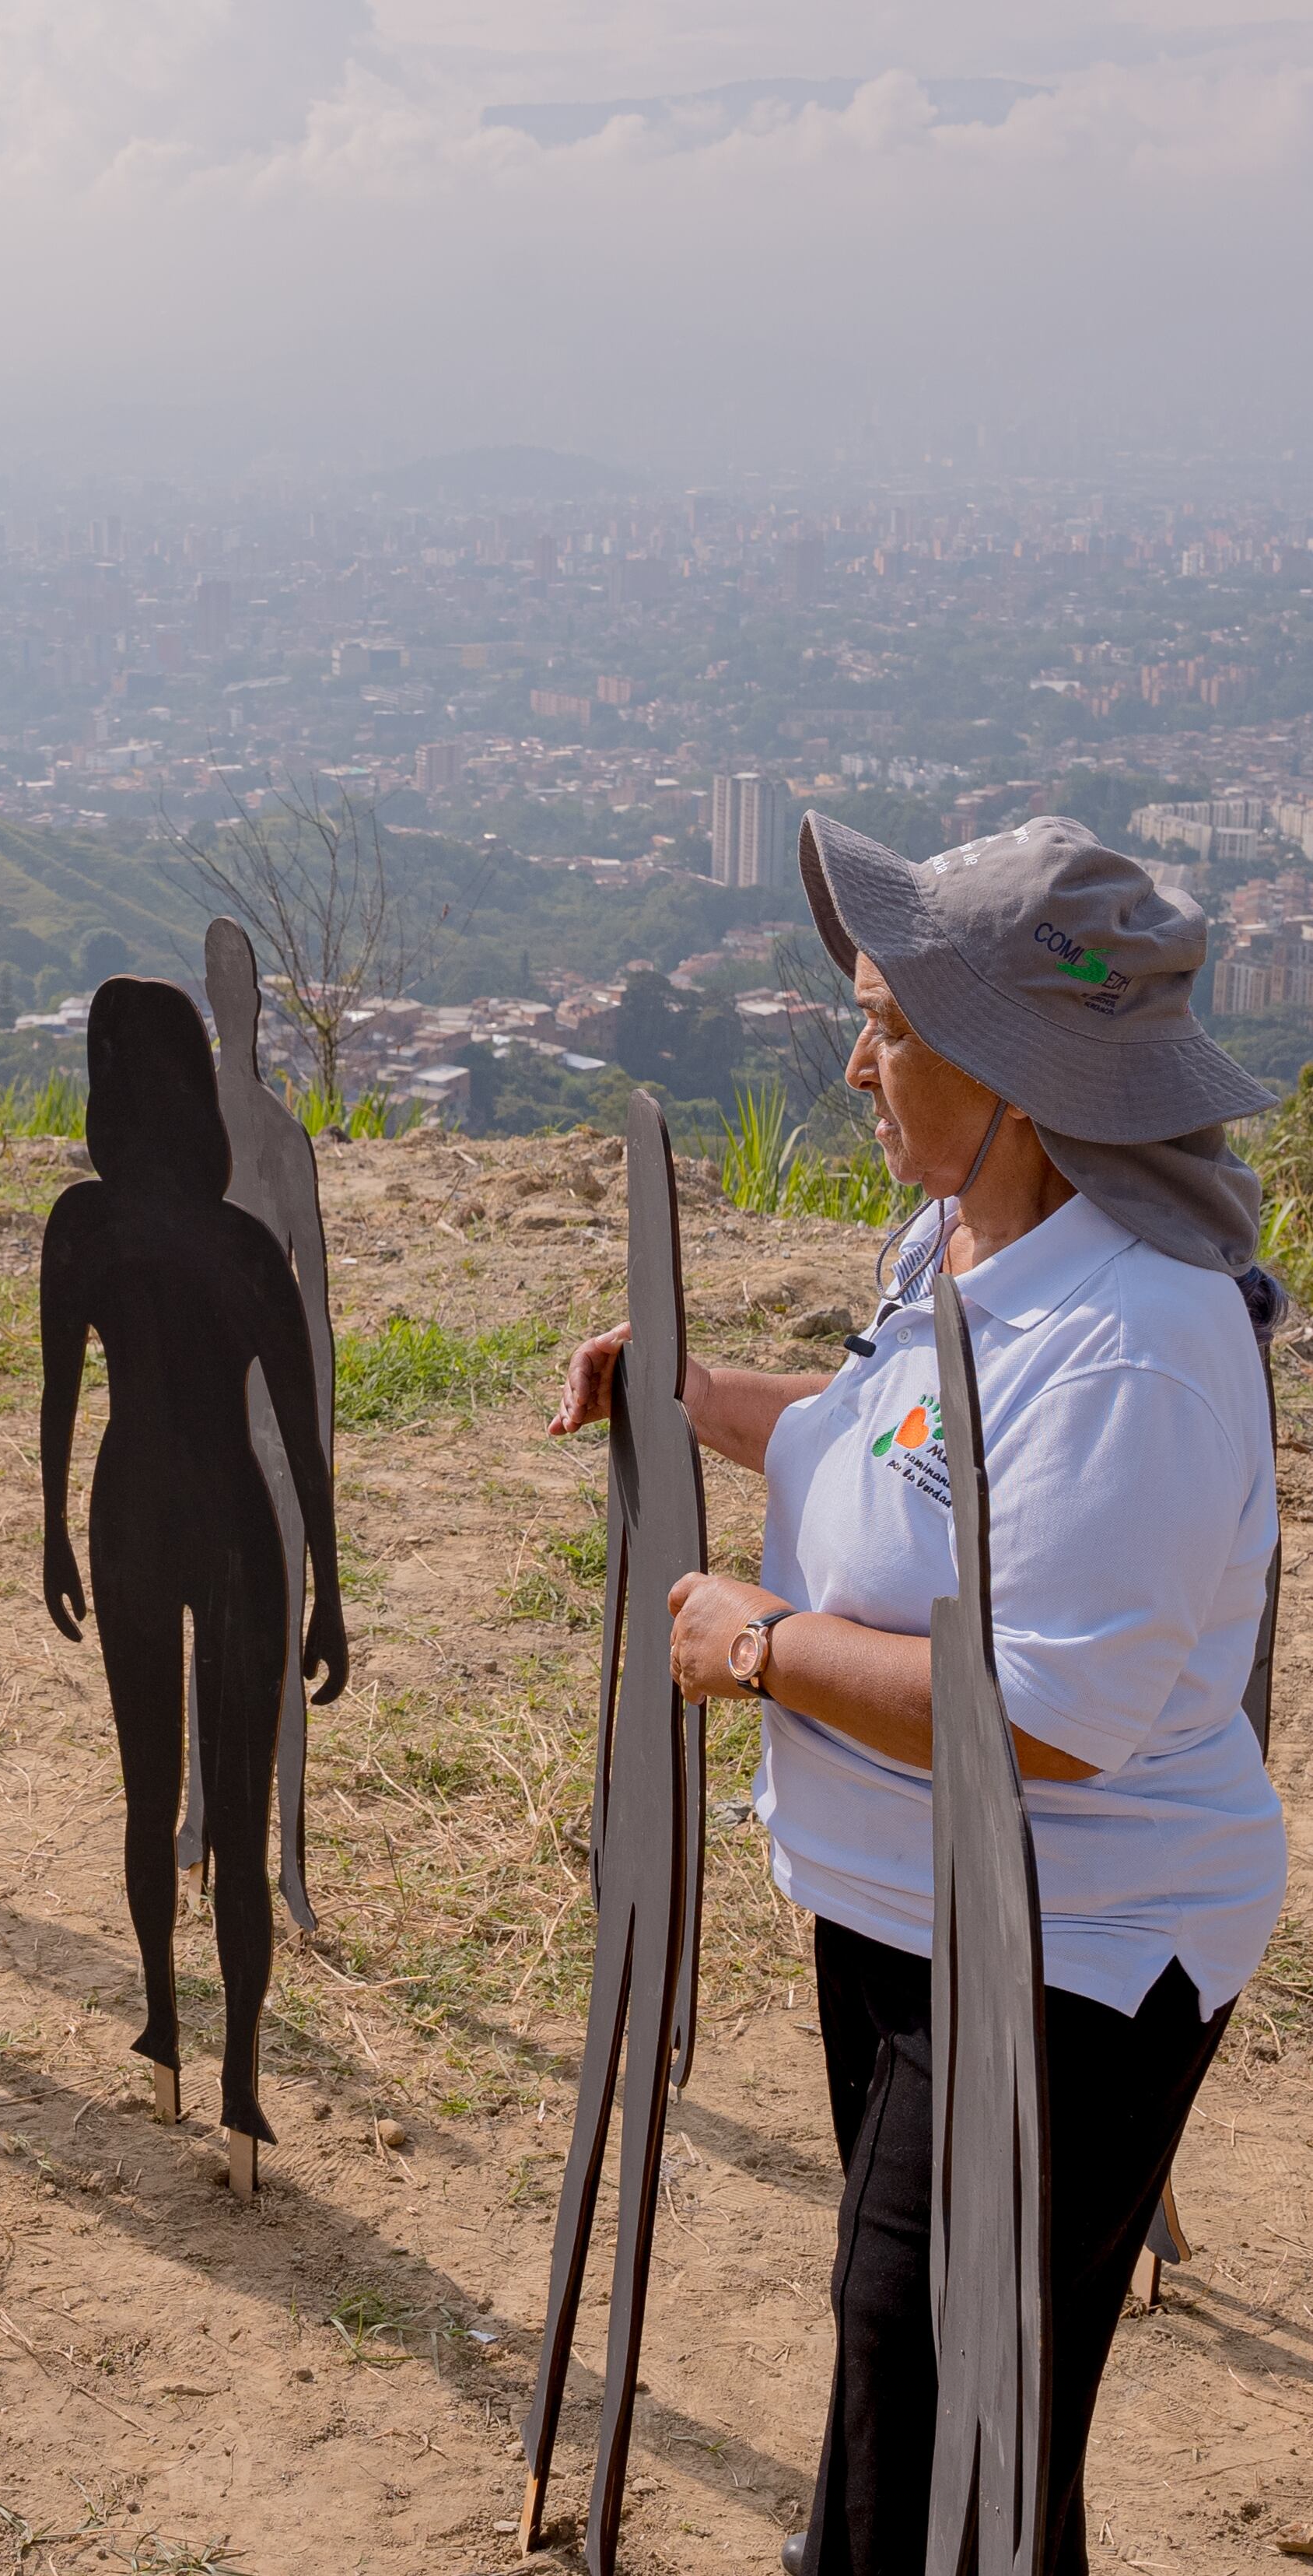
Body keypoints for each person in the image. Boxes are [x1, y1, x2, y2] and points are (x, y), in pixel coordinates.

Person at [550, 814, 1288, 2576]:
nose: (853, 1058)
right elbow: (919, 1451)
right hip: (907, 1918)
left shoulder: (1136, 1341)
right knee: (964, 2416)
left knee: (919, 2402)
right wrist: (708, 1396)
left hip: (1063, 1960)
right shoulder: (964, 1247)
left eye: (887, 1022)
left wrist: (752, 1647)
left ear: (1017, 1073)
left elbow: (1045, 1712)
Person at [38, 977, 344, 2143]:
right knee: (232, 1819)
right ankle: (234, 2076)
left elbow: (63, 1391)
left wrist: (53, 1527)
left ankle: (168, 2025)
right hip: (229, 1512)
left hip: (127, 1506)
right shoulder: (241, 1243)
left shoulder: (82, 1223)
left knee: (148, 1792)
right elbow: (302, 1444)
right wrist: (327, 1590)